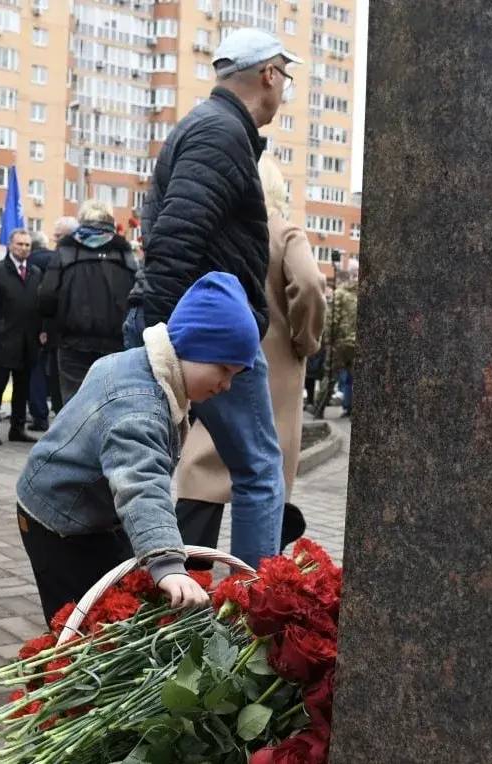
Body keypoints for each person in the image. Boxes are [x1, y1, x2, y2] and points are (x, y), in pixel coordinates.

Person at [125, 27, 300, 568]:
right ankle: (255, 609)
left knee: (155, 461)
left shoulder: (209, 127)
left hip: (191, 328)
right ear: (269, 74)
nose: (284, 89)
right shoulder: (221, 132)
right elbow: (176, 238)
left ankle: (159, 593)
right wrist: (163, 340)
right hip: (208, 334)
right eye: (285, 77)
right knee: (260, 471)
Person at [17, 272, 258, 624]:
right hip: (57, 521)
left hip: (92, 509)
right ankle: (58, 671)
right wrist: (168, 563)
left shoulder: (143, 367)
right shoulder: (138, 406)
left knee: (119, 594)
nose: (226, 384)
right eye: (223, 368)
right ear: (191, 345)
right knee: (77, 616)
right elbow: (141, 483)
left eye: (235, 375)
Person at [174, 157, 326, 553]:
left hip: (213, 361)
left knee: (204, 468)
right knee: (264, 475)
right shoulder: (285, 232)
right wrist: (305, 341)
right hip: (276, 370)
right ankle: (250, 587)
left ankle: (183, 576)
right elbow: (309, 284)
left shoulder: (222, 230)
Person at [38, 200, 138, 403]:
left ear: (81, 220)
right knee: (108, 403)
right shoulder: (123, 250)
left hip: (73, 342)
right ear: (110, 220)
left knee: (75, 404)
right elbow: (136, 293)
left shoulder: (66, 249)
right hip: (115, 342)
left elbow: (47, 296)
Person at [0, 228, 42, 446]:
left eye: (27, 245)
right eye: (20, 244)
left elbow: (37, 306)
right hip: (1, 341)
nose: (23, 248)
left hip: (27, 341)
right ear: (10, 245)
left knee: (22, 389)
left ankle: (17, 427)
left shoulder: (35, 272)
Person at [25, 231, 55, 430]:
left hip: (33, 324)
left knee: (35, 372)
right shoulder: (56, 258)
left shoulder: (29, 263)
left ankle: (39, 416)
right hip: (53, 325)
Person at [332, 264, 358, 418]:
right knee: (351, 376)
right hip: (353, 342)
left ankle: (320, 408)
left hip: (342, 341)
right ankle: (350, 408)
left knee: (339, 375)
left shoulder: (341, 292)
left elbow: (332, 317)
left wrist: (330, 338)